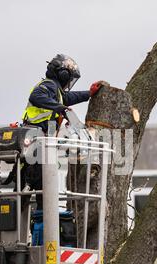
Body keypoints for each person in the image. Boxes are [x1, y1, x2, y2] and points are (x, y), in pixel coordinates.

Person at [21, 54, 103, 211]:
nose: (69, 83)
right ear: (63, 74)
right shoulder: (48, 85)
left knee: (38, 189)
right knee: (37, 187)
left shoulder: (55, 91)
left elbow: (67, 98)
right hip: (36, 141)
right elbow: (36, 96)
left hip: (40, 143)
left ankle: (38, 225)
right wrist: (61, 109)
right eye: (69, 78)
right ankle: (37, 223)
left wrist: (88, 94)